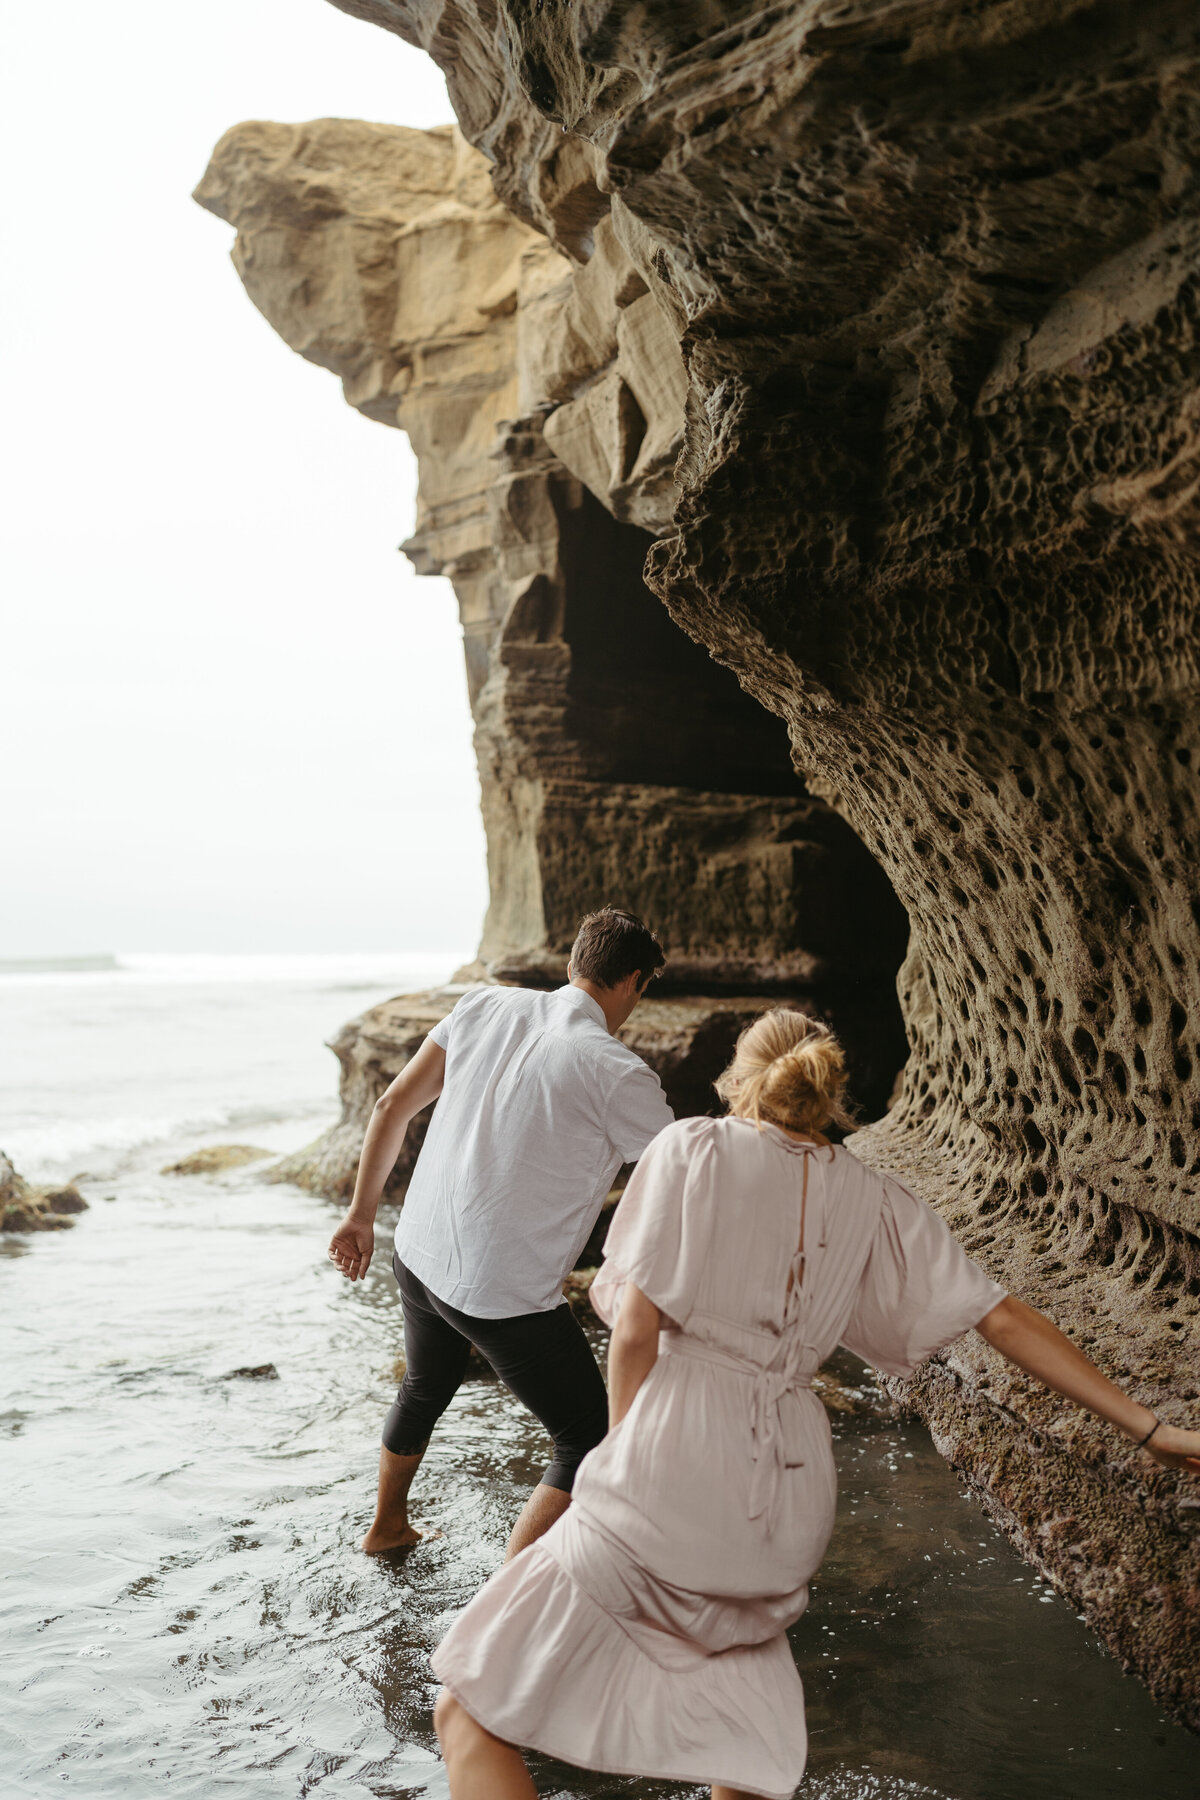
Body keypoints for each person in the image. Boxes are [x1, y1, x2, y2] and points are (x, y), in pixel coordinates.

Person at [429, 1008, 1200, 1800]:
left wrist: (619, 1450)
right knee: (743, 1758)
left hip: (673, 1458)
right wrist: (1151, 1428)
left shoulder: (692, 1148)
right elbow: (1001, 1316)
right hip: (786, 1498)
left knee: (470, 1706)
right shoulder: (874, 1196)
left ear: (741, 1073)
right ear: (827, 1089)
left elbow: (635, 1329)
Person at [327, 906, 674, 1559]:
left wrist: (360, 1215)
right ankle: (509, 1606)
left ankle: (386, 1529)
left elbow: (391, 1105)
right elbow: (683, 1178)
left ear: (575, 963)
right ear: (633, 983)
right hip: (498, 1294)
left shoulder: (482, 1006)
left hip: (417, 1254)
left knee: (425, 1385)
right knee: (587, 1438)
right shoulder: (617, 1071)